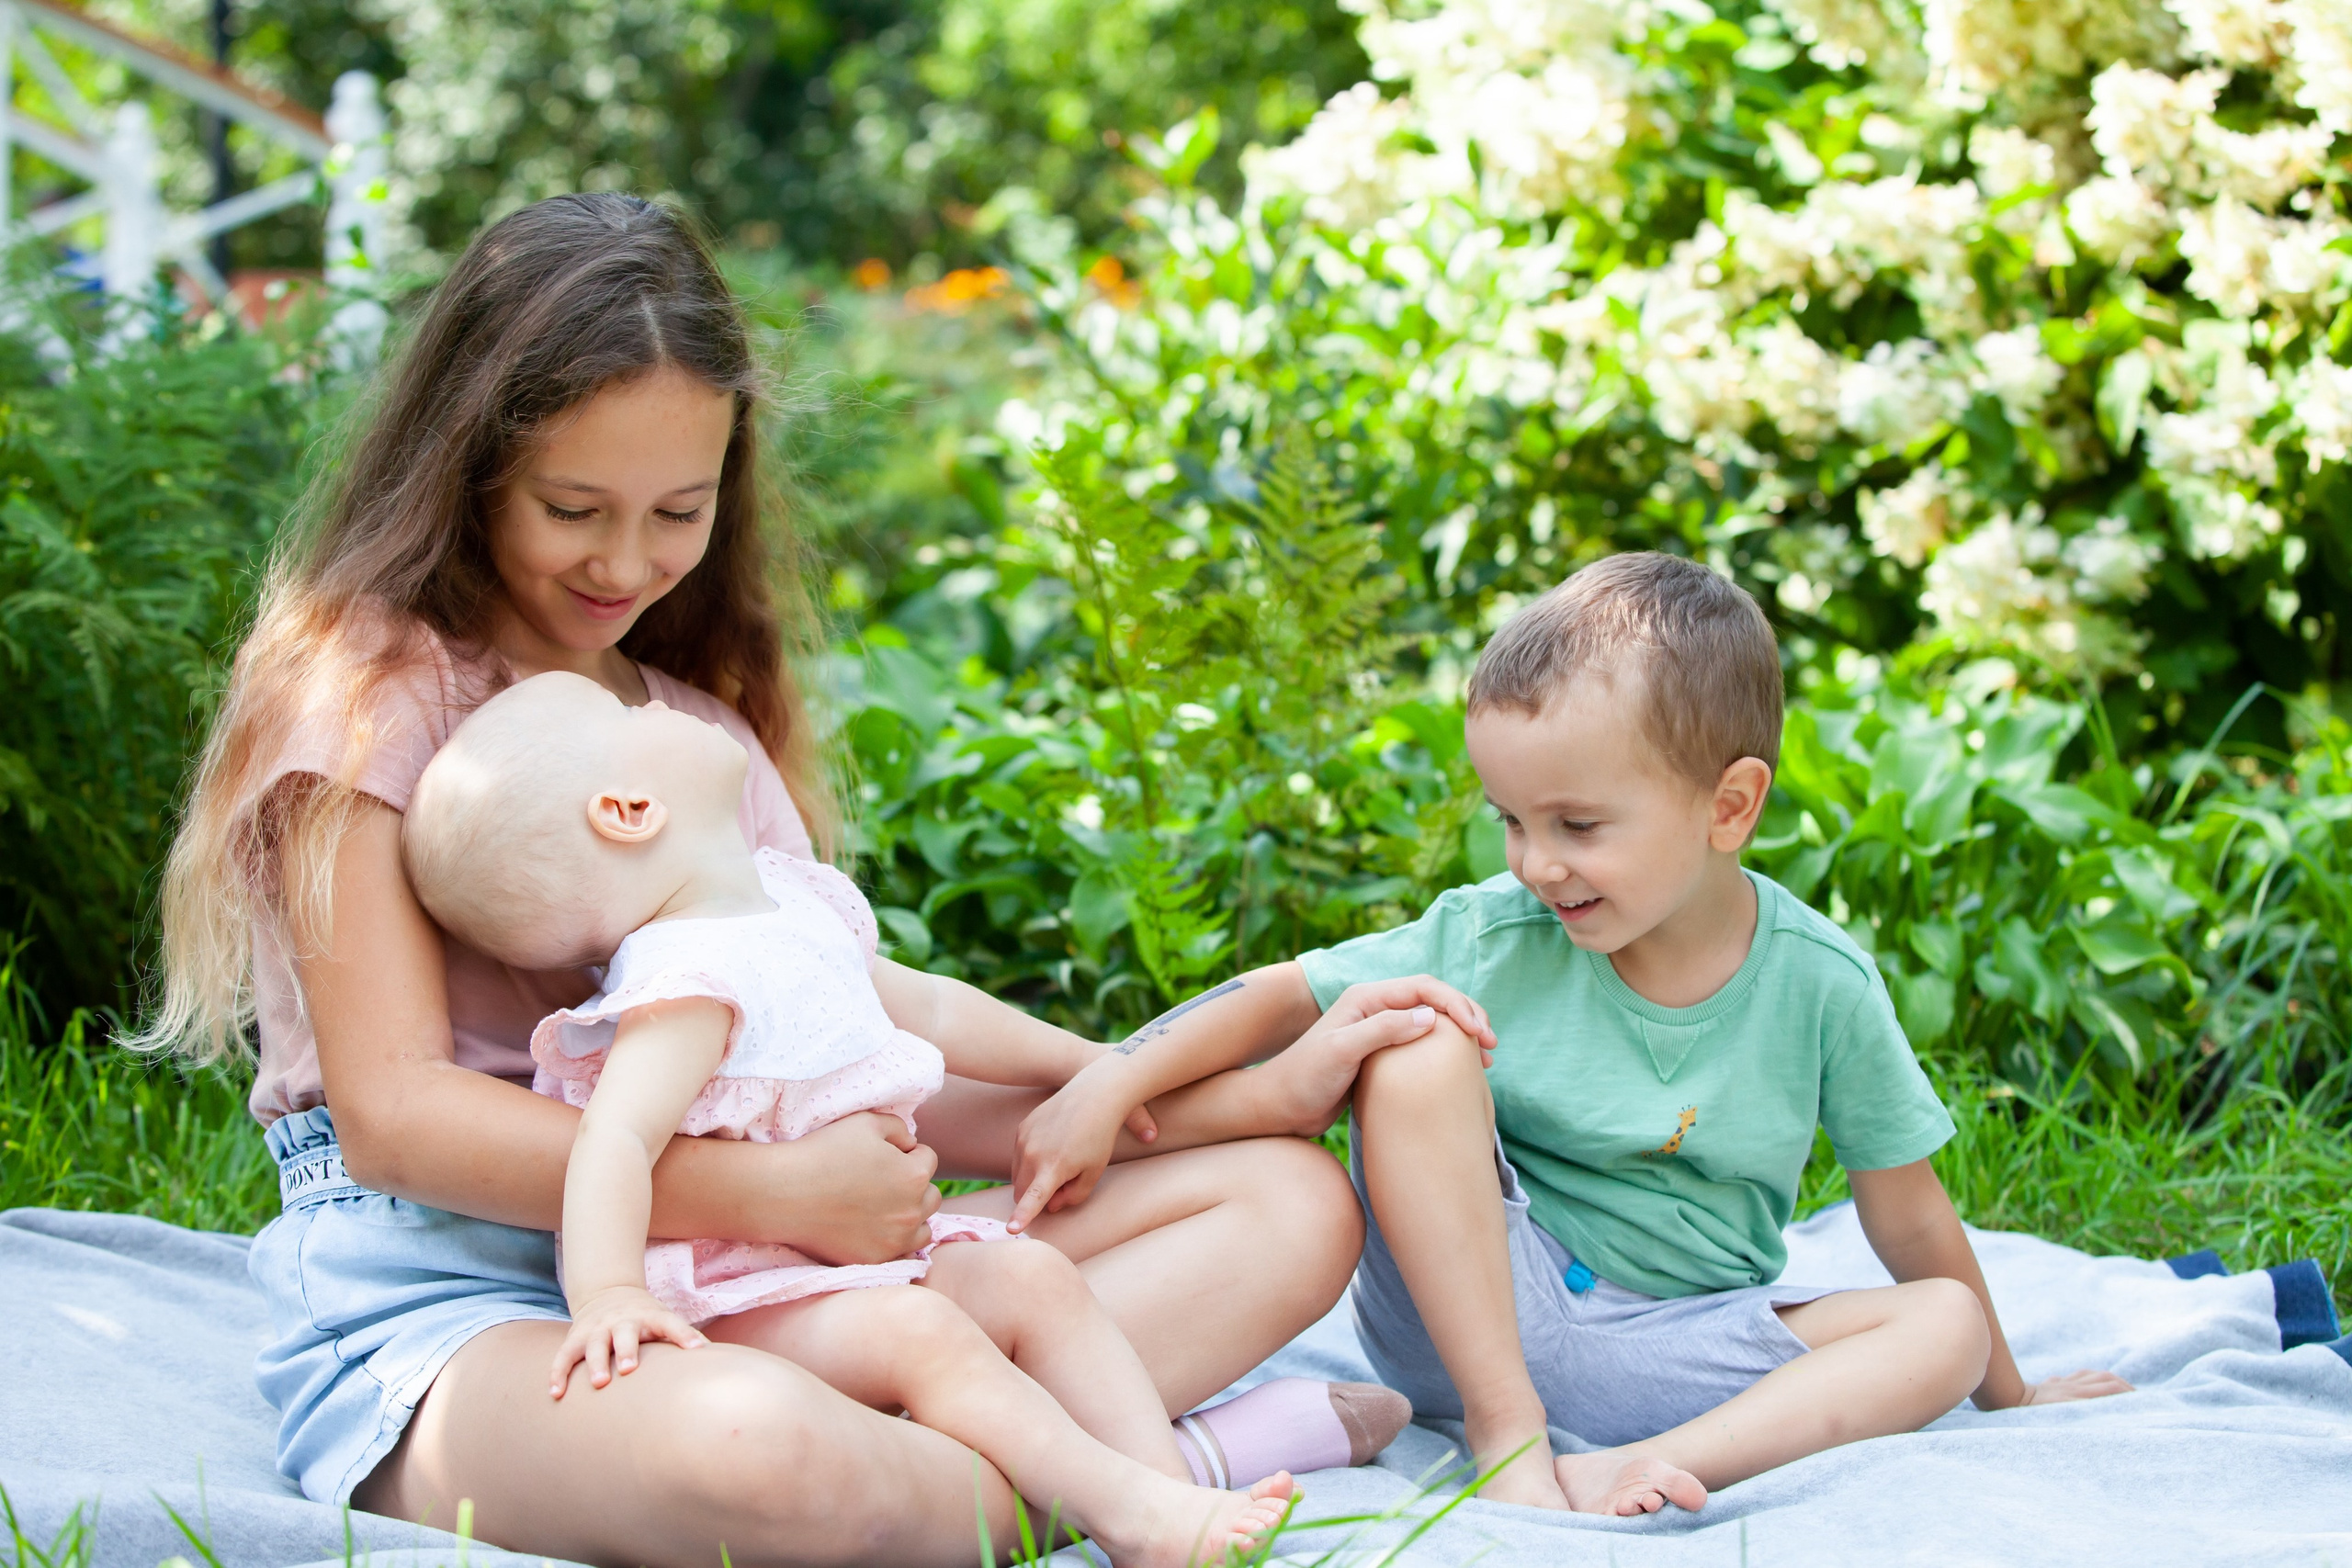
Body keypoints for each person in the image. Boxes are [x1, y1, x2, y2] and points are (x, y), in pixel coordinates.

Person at [133, 192, 1453, 1567]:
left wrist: (1218, 1099)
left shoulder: (696, 742)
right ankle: (1150, 1470)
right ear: (467, 468)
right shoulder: (370, 697)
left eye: (677, 511)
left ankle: (1023, 1476)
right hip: (466, 1292)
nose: (626, 561)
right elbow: (396, 1120)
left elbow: (858, 1062)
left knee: (1286, 1201)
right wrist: (774, 1197)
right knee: (761, 1452)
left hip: (769, 1279)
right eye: (572, 509)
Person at [1007, 552, 2132, 1517]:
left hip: (1683, 1345)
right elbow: (1278, 997)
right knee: (1415, 1040)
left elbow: (1909, 1210)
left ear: (1729, 806)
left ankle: (1648, 1466)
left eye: (1578, 825)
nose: (1536, 864)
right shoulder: (1492, 932)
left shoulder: (1820, 982)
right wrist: (1112, 1080)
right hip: (1474, 1314)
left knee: (1943, 1327)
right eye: (1511, 820)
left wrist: (2009, 1392)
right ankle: (1509, 1443)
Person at [395, 671, 1296, 1565]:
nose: (656, 700)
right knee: (924, 1335)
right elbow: (614, 1137)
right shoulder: (684, 985)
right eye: (629, 712)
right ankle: (1131, 1514)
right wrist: (608, 1293)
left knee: (1033, 1277)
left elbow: (935, 1010)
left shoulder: (792, 901)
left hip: (834, 1266)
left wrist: (1093, 1064)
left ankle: (1168, 1505)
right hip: (738, 1298)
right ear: (629, 809)